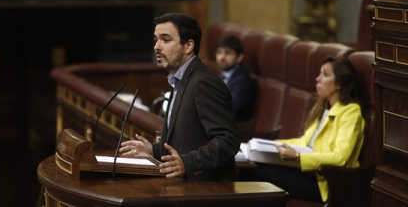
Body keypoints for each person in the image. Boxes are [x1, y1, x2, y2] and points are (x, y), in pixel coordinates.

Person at [119, 13, 240, 181]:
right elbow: (188, 140)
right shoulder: (180, 81)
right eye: (156, 39)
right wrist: (153, 151)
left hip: (208, 192)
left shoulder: (203, 82)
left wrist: (188, 163)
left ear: (188, 45)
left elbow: (228, 141)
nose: (157, 46)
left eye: (166, 40)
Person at [240, 56, 365, 203]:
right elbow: (305, 141)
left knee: (253, 171)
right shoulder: (325, 108)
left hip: (325, 182)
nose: (317, 79)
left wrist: (299, 156)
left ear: (339, 83)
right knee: (252, 167)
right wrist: (274, 146)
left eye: (325, 75)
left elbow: (341, 158)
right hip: (308, 172)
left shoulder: (351, 112)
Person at [215, 35, 255, 121]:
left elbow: (229, 110)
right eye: (219, 52)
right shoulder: (220, 76)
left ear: (239, 57)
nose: (222, 57)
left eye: (228, 53)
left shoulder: (242, 81)